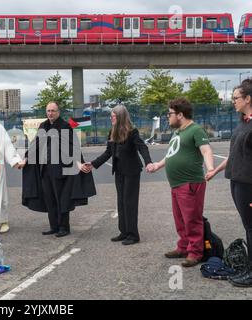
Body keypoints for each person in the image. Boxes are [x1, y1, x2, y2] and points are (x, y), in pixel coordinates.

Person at [148, 98, 214, 267]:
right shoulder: (178, 132)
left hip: (190, 183)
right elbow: (171, 154)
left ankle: (195, 252)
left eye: (169, 114)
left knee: (192, 219)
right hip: (177, 184)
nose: (167, 117)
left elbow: (206, 150)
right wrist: (158, 165)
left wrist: (211, 168)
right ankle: (184, 247)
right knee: (180, 219)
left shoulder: (196, 130)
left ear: (180, 114)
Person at [20, 101, 96, 237]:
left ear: (58, 112)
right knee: (49, 199)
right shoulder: (43, 126)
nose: (50, 113)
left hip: (61, 170)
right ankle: (54, 226)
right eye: (48, 111)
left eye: (53, 111)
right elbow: (35, 145)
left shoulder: (65, 126)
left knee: (62, 199)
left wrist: (78, 163)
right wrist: (26, 158)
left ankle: (64, 227)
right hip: (45, 170)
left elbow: (73, 146)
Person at [82, 105, 153, 245]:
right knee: (121, 202)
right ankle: (124, 231)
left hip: (132, 171)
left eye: (113, 116)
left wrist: (148, 162)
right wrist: (93, 164)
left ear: (120, 117)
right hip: (119, 171)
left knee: (129, 202)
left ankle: (133, 235)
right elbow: (108, 152)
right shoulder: (112, 132)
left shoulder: (132, 132)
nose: (111, 118)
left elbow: (142, 147)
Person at [205, 79, 252, 287]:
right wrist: (215, 169)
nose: (233, 101)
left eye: (236, 98)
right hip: (237, 182)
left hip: (249, 185)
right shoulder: (243, 122)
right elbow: (234, 155)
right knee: (248, 226)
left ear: (248, 99)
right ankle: (250, 267)